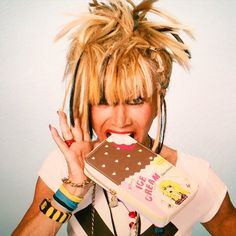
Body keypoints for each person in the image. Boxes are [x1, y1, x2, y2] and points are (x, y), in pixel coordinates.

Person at [12, 0, 236, 235]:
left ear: (158, 102)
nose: (120, 121)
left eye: (136, 100)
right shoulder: (63, 167)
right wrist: (73, 188)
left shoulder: (195, 177)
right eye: (104, 100)